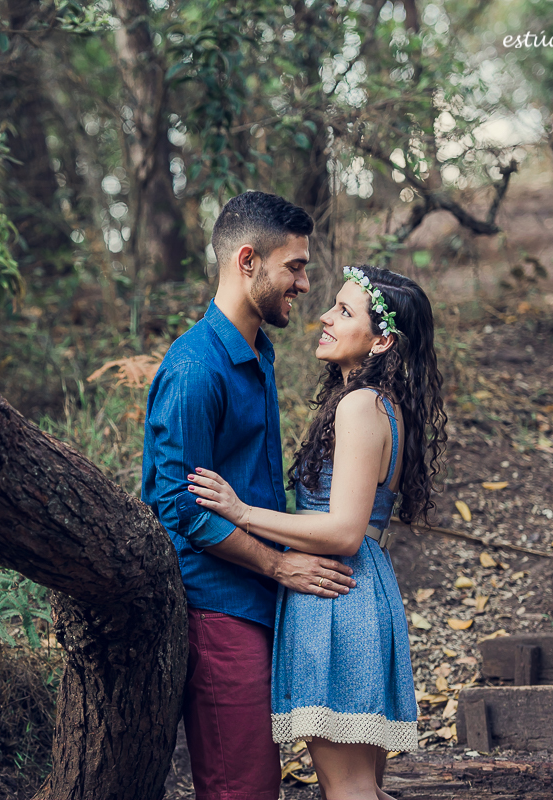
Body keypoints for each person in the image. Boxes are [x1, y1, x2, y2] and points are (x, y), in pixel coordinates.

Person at [187, 265, 447, 800]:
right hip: (356, 590)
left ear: (382, 341)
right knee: (361, 786)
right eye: (334, 305)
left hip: (337, 594)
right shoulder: (378, 404)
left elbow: (344, 531)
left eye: (345, 312)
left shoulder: (359, 406)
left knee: (347, 790)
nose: (325, 317)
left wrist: (240, 512)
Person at [142, 191, 359, 800]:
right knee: (242, 789)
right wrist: (278, 562)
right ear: (247, 261)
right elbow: (179, 510)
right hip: (216, 609)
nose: (305, 283)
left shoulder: (257, 352)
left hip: (260, 602)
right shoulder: (195, 369)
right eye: (294, 266)